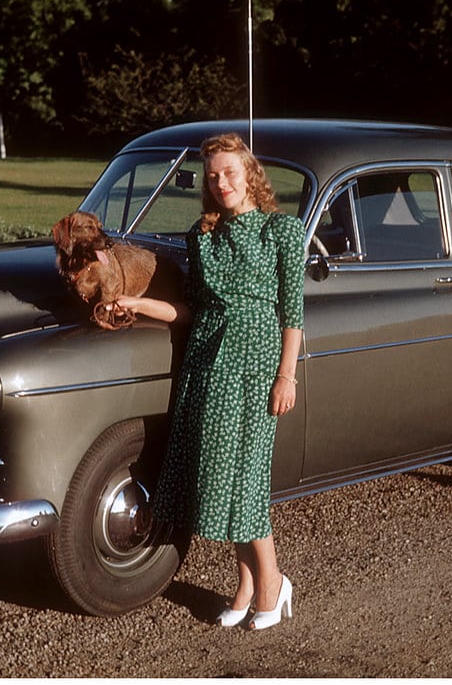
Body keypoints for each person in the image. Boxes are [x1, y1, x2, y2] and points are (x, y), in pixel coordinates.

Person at [108, 132, 305, 630]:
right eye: (213, 176)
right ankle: (245, 584)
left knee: (247, 480)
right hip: (206, 361)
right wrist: (137, 305)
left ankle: (273, 581)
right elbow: (188, 309)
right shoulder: (203, 236)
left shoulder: (281, 232)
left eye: (230, 173)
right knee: (218, 477)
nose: (222, 183)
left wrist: (287, 375)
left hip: (256, 364)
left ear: (250, 173)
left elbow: (294, 315)